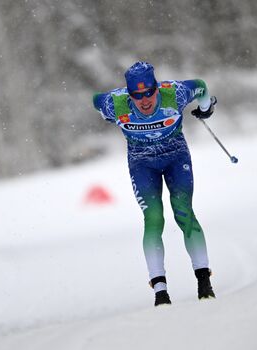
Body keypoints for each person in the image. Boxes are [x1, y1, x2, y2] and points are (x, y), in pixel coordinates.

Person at [92, 61, 216, 306]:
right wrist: (106, 115)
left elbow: (200, 86)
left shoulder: (174, 93)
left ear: (157, 88)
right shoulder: (116, 104)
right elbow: (96, 99)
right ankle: (160, 291)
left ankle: (204, 281)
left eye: (149, 92)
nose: (144, 100)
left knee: (183, 212)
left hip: (175, 156)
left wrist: (206, 107)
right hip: (141, 163)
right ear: (129, 94)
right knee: (154, 218)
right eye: (137, 96)